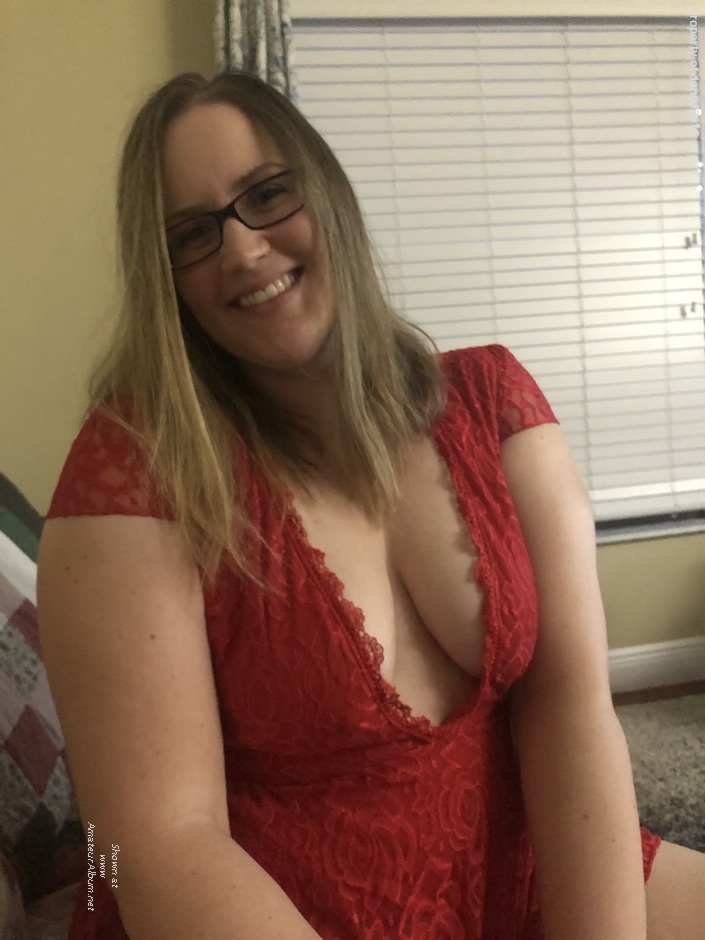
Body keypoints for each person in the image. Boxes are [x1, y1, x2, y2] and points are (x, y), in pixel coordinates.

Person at [37, 70, 704, 940]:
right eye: (192, 235)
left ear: (330, 193)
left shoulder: (493, 403)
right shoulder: (133, 468)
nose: (243, 250)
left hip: (515, 867)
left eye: (266, 195)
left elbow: (568, 707)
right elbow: (148, 846)